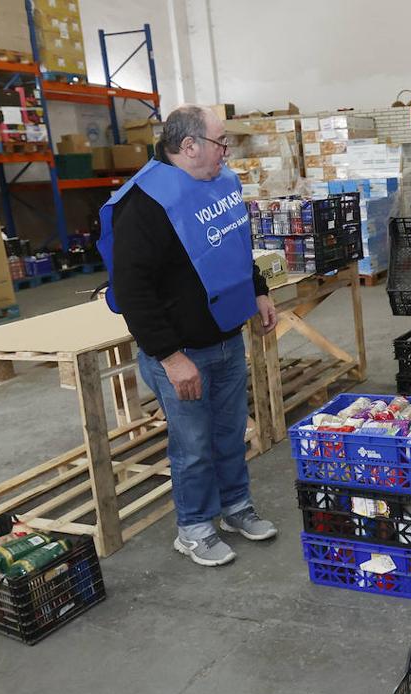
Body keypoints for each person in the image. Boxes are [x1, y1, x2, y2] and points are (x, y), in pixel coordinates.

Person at [97, 105, 279, 568]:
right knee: (193, 446)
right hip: (181, 351)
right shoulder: (144, 205)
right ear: (190, 146)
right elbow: (133, 292)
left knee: (229, 432)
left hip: (225, 337)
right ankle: (195, 526)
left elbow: (236, 244)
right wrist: (171, 357)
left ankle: (235, 507)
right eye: (221, 142)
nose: (227, 152)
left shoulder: (219, 183)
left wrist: (258, 291)